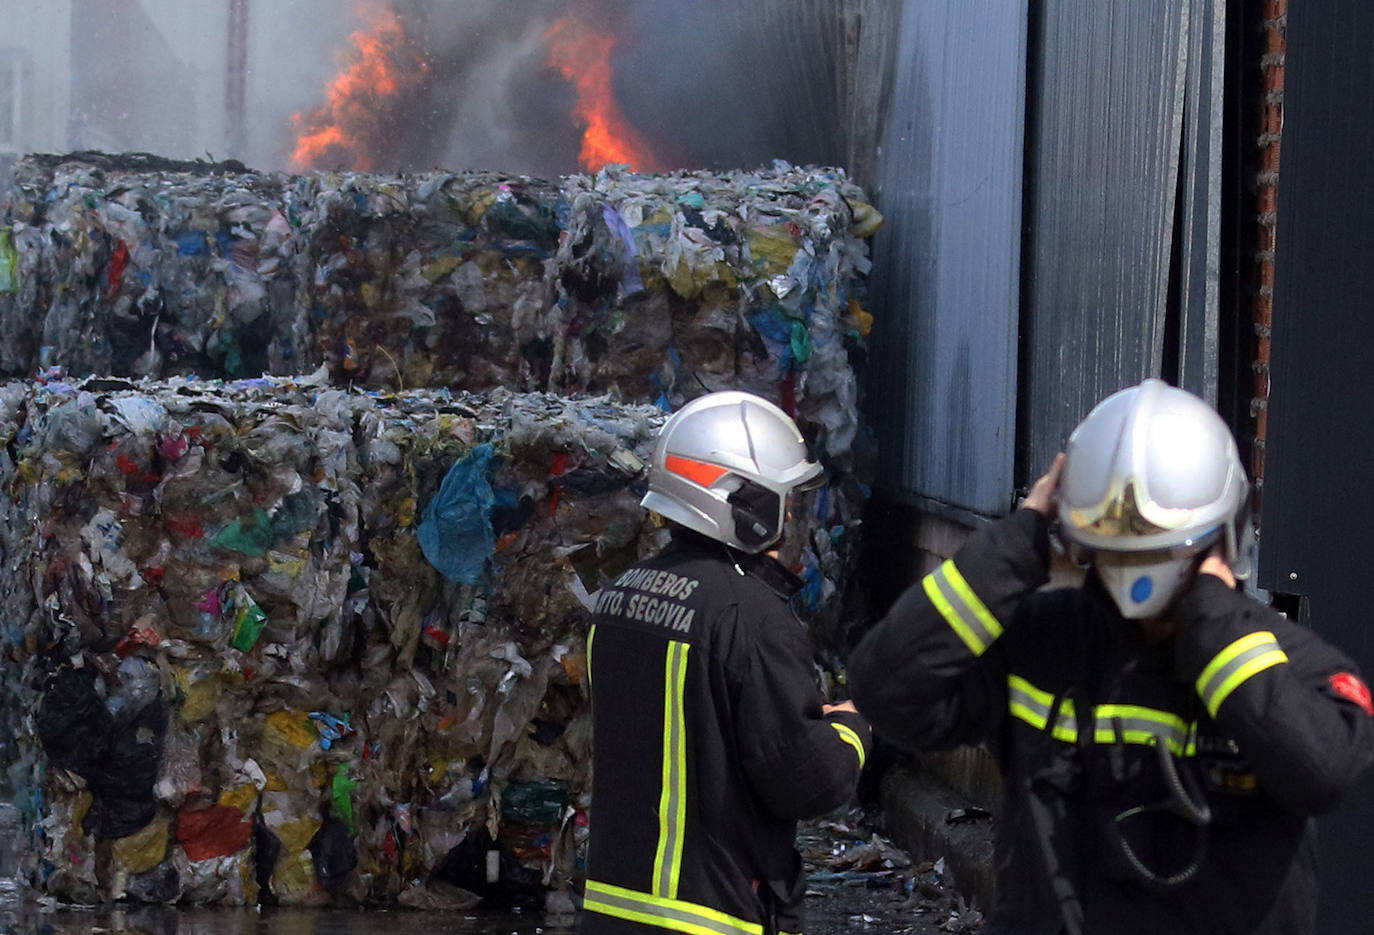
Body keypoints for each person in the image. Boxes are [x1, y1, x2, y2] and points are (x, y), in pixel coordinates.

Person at [848, 379, 1374, 935]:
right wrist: (1015, 546)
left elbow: (1322, 770)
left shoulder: (1287, 666)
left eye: (1167, 555)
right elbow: (887, 687)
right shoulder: (1045, 644)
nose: (1139, 592)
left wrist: (1213, 619)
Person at [579, 390, 871, 935]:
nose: (789, 519)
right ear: (745, 502)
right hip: (709, 915)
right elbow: (807, 781)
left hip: (612, 909)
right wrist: (852, 726)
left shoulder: (617, 598)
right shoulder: (751, 617)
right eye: (783, 500)